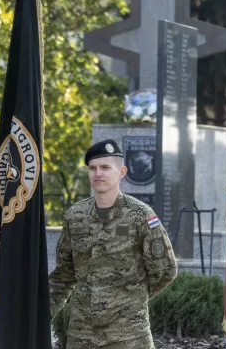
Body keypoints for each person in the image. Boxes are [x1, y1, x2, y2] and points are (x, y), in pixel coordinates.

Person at [49, 139, 177, 349]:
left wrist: (128, 299)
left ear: (122, 172)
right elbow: (64, 275)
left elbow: (166, 271)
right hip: (81, 336)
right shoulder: (75, 216)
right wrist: (41, 314)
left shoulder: (141, 216)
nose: (98, 173)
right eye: (93, 168)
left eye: (105, 167)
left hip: (128, 336)